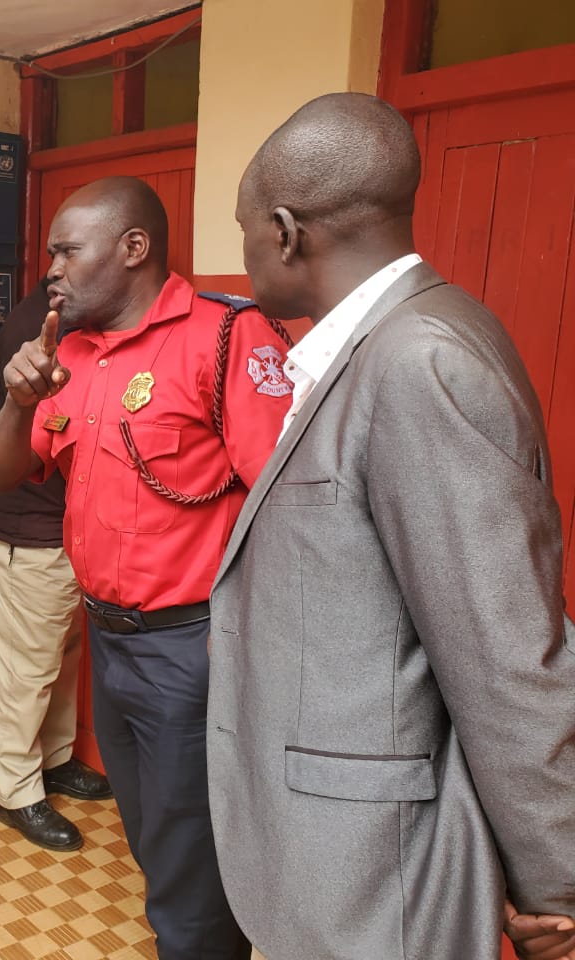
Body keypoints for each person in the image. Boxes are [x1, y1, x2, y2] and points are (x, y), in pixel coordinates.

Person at [210, 91, 575, 960]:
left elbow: (506, 655)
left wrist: (558, 889)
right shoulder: (394, 339)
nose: (247, 253)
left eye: (246, 231)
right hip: (334, 859)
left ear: (286, 232)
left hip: (377, 878)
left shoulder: (420, 360)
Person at [0, 176, 291, 960]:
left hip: (194, 645)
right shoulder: (71, 350)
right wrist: (18, 402)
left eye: (66, 251)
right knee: (156, 840)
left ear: (134, 248)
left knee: (190, 859)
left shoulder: (226, 335)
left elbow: (291, 504)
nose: (51, 268)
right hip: (110, 641)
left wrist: (249, 638)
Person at [0, 279, 113, 853]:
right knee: (24, 669)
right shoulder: (44, 328)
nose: (63, 266)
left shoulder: (81, 317)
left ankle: (54, 760)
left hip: (64, 526)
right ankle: (17, 791)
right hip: (25, 528)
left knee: (61, 653)